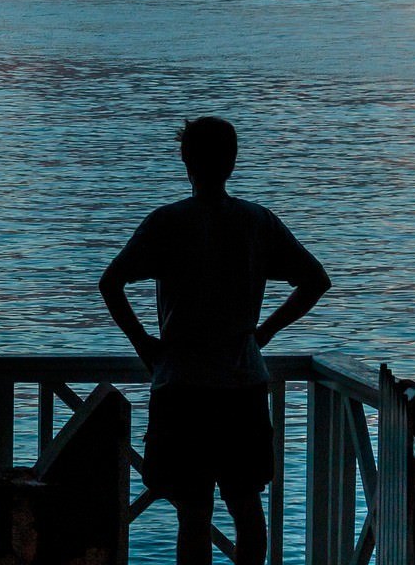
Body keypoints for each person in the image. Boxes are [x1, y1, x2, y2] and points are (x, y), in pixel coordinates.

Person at [99, 117, 331, 565]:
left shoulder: (167, 223)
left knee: (192, 514)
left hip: (182, 384)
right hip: (242, 382)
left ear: (186, 160)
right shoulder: (256, 222)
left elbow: (111, 283)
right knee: (246, 508)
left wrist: (143, 343)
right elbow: (314, 281)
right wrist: (263, 332)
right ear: (233, 161)